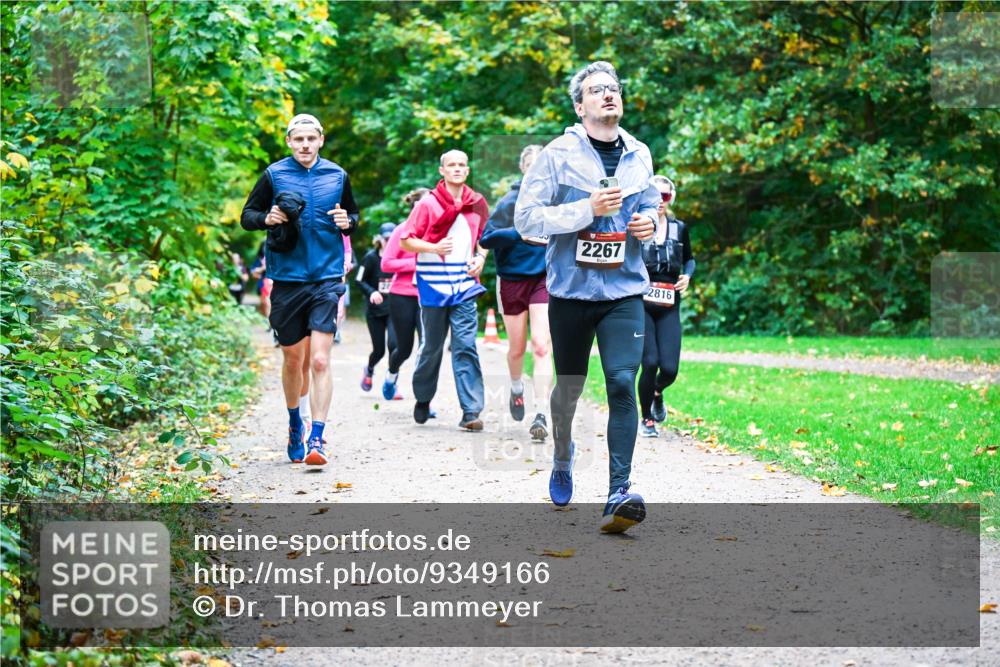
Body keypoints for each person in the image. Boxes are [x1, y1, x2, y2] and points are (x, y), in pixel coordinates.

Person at [515, 61, 659, 533]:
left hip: (624, 290)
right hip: (571, 292)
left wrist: (648, 224)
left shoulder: (640, 153)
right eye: (597, 90)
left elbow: (650, 209)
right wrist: (585, 209)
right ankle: (562, 455)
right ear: (580, 107)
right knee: (570, 387)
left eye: (613, 89)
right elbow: (527, 218)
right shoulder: (556, 154)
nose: (607, 95)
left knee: (621, 381)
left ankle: (619, 492)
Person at [240, 113, 359, 467]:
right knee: (294, 360)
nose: (305, 145)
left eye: (311, 138)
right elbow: (247, 215)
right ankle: (296, 422)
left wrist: (348, 222)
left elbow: (353, 216)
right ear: (290, 142)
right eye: (299, 139)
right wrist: (267, 218)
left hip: (326, 278)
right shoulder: (274, 175)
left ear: (321, 140)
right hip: (288, 279)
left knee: (320, 359)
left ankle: (317, 436)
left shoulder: (337, 175)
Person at [400, 150, 489, 431]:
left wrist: (481, 257)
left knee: (465, 345)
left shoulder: (477, 203)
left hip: (464, 284)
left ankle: (471, 412)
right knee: (432, 347)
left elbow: (484, 237)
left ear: (467, 170)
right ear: (442, 170)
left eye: (462, 165)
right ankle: (423, 397)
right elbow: (406, 241)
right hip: (432, 284)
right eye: (452, 165)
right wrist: (434, 247)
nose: (457, 169)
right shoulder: (427, 203)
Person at [480, 144, 551, 441]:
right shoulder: (510, 202)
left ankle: (542, 413)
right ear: (523, 169)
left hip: (544, 280)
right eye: (532, 167)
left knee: (541, 346)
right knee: (517, 349)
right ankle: (516, 386)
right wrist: (518, 234)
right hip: (512, 281)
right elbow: (486, 239)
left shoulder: (555, 201)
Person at [639, 176, 695, 438]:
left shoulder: (679, 228)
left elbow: (689, 259)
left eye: (665, 196)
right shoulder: (638, 226)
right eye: (655, 195)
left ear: (671, 198)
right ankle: (646, 419)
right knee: (650, 362)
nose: (660, 201)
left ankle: (657, 392)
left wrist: (688, 276)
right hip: (642, 303)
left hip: (669, 304)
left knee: (670, 369)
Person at [380, 189, 429, 403]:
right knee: (405, 349)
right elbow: (386, 263)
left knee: (427, 348)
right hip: (402, 295)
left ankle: (424, 399)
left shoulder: (438, 232)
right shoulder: (402, 230)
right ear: (416, 207)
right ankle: (391, 374)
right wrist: (416, 264)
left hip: (429, 296)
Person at [357, 223, 400, 394]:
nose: (388, 241)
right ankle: (369, 369)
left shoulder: (399, 257)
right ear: (380, 239)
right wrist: (372, 292)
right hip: (375, 312)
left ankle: (392, 382)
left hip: (394, 310)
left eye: (391, 238)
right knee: (379, 351)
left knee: (394, 346)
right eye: (386, 238)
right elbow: (359, 280)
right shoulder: (370, 258)